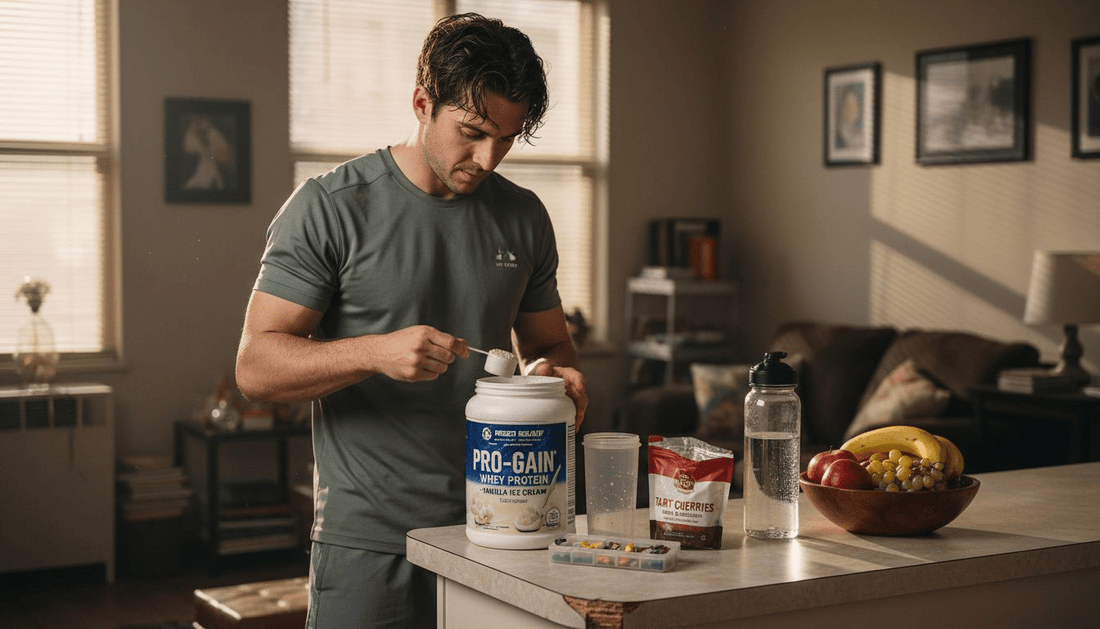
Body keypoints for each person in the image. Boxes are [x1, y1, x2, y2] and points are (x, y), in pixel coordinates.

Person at [234, 12, 587, 629]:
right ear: (424, 102)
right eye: (472, 131)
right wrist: (371, 353)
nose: (487, 158)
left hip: (504, 529)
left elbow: (549, 342)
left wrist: (556, 372)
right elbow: (255, 369)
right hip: (371, 538)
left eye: (505, 139)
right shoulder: (330, 207)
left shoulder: (525, 217)